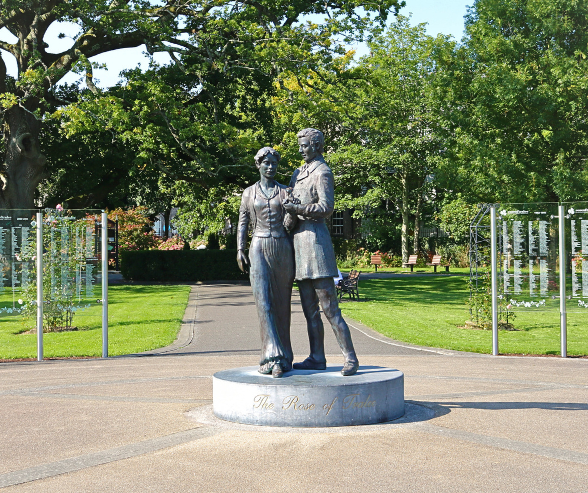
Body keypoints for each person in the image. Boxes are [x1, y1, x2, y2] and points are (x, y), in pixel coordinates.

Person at [283, 128, 359, 376]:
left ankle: (350, 358)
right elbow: (291, 208)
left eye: (304, 145)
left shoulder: (322, 172)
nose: (300, 149)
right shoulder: (298, 174)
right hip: (300, 246)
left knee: (330, 309)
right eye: (300, 145)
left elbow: (326, 208)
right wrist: (287, 215)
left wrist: (297, 208)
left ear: (316, 146)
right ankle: (317, 357)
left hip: (317, 245)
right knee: (309, 310)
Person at [237, 147, 295, 378]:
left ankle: (285, 357)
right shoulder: (249, 193)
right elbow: (242, 223)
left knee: (282, 305)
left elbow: (291, 225)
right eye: (266, 163)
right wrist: (239, 249)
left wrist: (292, 211)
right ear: (258, 165)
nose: (270, 167)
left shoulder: (285, 191)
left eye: (273, 163)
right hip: (258, 246)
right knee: (264, 304)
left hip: (282, 248)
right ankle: (271, 358)